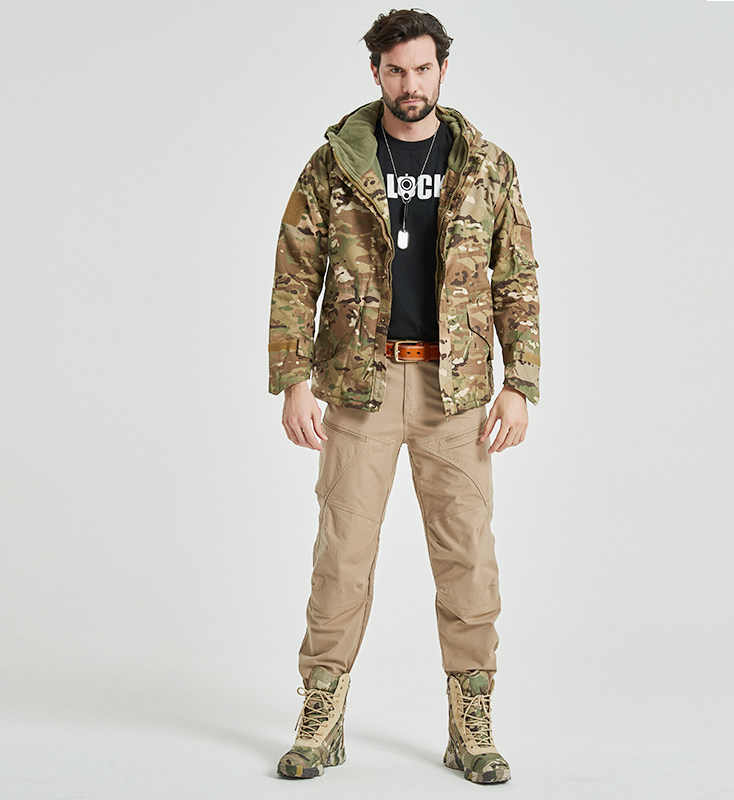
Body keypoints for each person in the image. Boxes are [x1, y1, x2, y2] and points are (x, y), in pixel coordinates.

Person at [268, 8, 540, 785]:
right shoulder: (336, 163)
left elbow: (517, 275)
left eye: (422, 69)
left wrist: (520, 382)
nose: (410, 84)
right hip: (361, 385)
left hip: (456, 392)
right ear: (377, 73)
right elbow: (295, 272)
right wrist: (292, 378)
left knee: (468, 559)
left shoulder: (485, 165)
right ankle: (322, 713)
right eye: (395, 71)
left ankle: (470, 720)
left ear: (442, 69)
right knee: (342, 555)